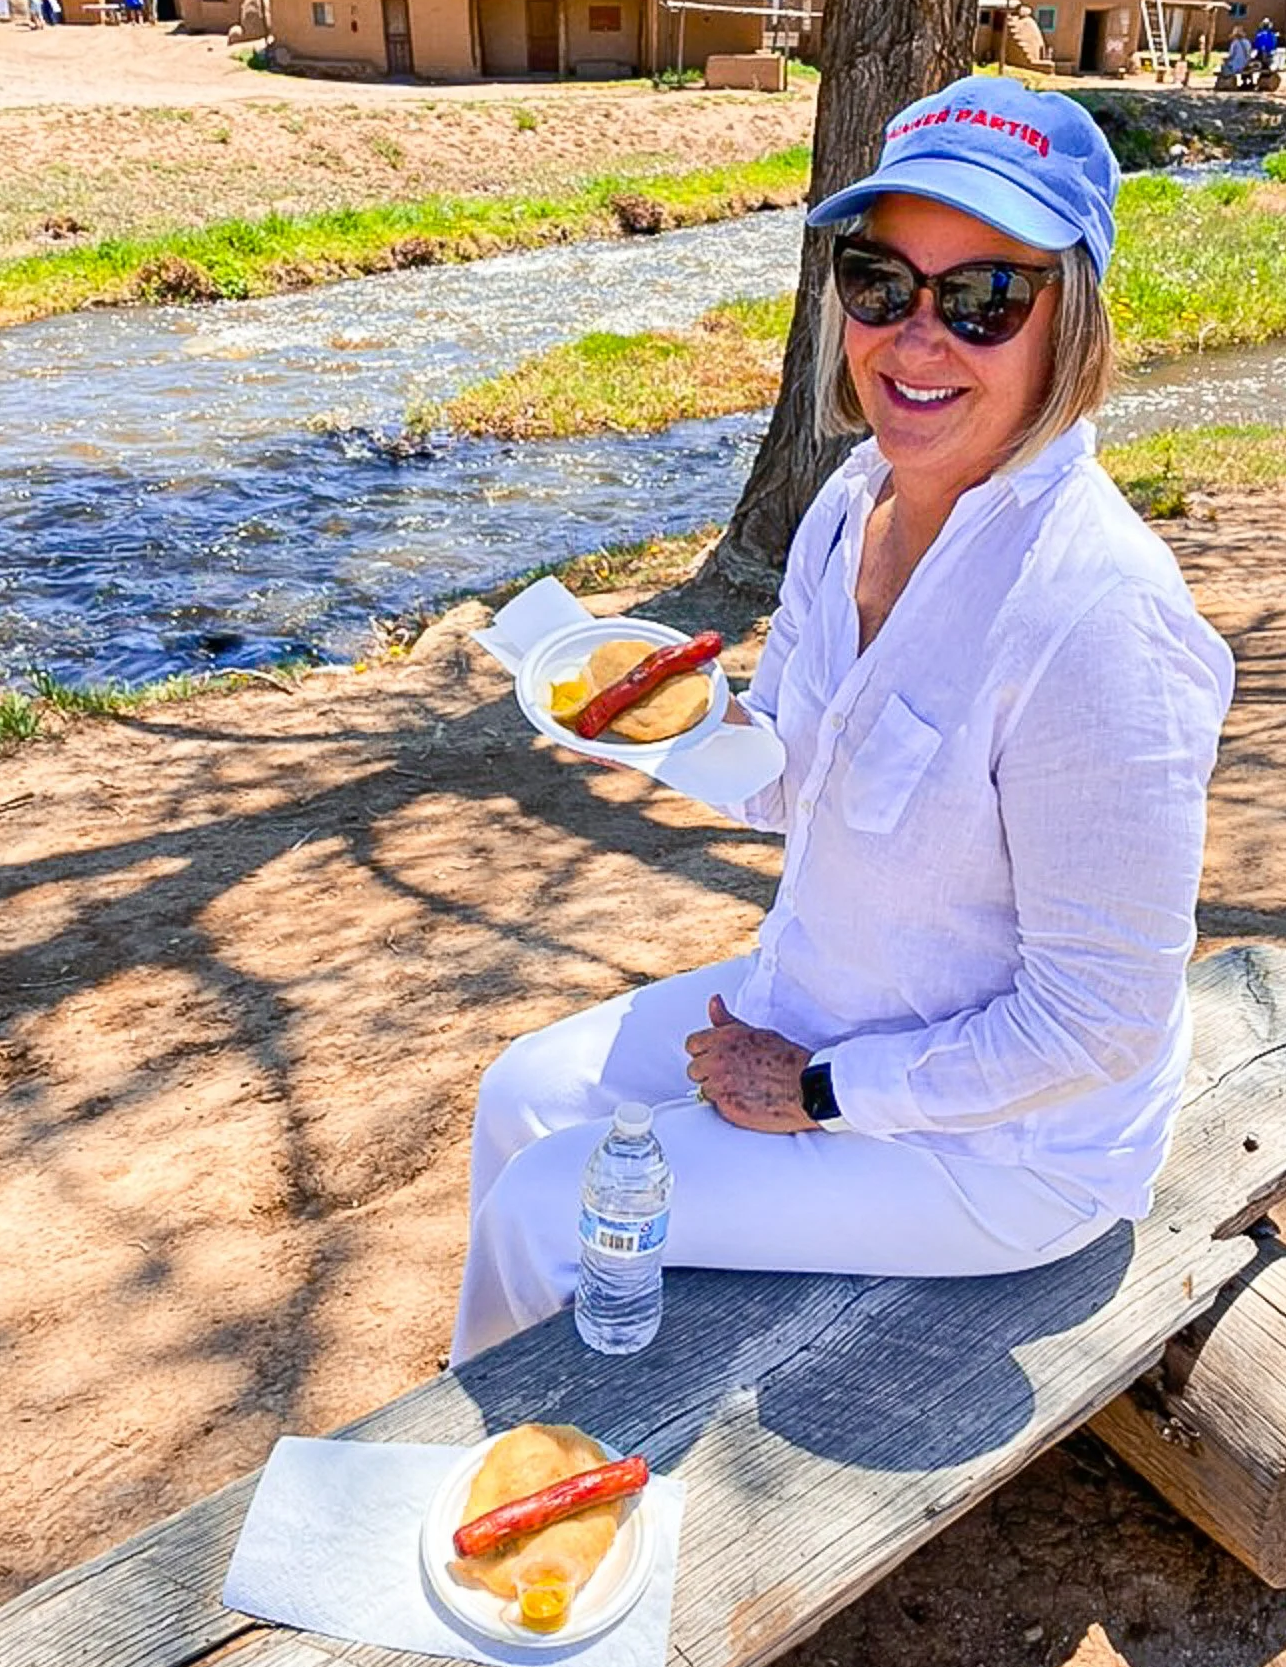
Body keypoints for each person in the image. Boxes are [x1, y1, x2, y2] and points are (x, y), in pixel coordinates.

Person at [450, 75, 1234, 1366]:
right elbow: (793, 771)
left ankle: (541, 1512)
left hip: (1003, 1148)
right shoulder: (849, 504)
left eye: (983, 298)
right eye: (880, 283)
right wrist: (629, 715)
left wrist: (813, 1092)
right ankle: (518, 1444)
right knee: (520, 1098)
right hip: (825, 997)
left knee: (554, 1204)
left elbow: (1099, 1025)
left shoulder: (1099, 618)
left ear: (1069, 324)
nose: (916, 339)